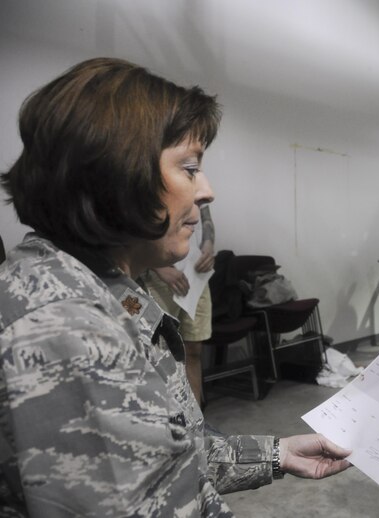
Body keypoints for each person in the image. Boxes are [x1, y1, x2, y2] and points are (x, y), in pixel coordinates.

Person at [0, 57, 350, 516]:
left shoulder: (99, 285)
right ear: (116, 173)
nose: (206, 191)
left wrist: (275, 453)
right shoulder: (68, 327)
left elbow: (166, 454)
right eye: (188, 168)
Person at [140, 204, 216, 407]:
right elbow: (127, 230)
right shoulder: (145, 177)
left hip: (195, 274)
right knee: (159, 354)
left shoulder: (197, 187)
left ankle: (197, 422)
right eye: (192, 170)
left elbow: (206, 219)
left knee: (193, 350)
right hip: (158, 276)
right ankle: (168, 426)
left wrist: (208, 246)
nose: (206, 188)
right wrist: (159, 267)